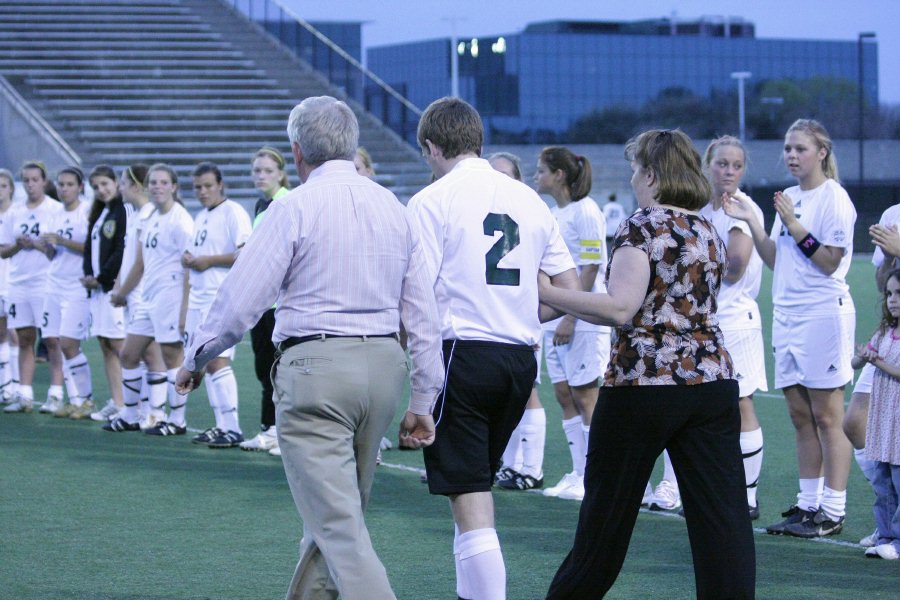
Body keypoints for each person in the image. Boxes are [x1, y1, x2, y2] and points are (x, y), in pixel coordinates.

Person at [175, 96, 444, 600]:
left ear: (297, 152)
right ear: (353, 144)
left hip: (316, 368)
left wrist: (195, 356)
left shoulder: (291, 207)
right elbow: (424, 316)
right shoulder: (395, 207)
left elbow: (240, 300)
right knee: (336, 522)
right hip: (384, 368)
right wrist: (424, 400)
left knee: (339, 530)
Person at [540, 128, 755, 599]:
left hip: (645, 383)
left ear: (652, 175)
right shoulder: (707, 229)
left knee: (603, 528)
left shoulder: (642, 225)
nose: (634, 179)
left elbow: (621, 307)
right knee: (724, 528)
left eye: (637, 170)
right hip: (712, 380)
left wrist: (547, 293)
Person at [409, 97, 577, 600]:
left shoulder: (431, 200)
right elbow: (567, 288)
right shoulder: (529, 199)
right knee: (475, 490)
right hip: (519, 359)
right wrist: (523, 312)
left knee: (471, 499)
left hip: (463, 354)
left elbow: (416, 300)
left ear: (433, 146)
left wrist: (419, 389)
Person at [725, 118, 855, 538]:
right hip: (788, 315)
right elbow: (779, 260)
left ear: (821, 152)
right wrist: (756, 221)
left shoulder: (833, 197)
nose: (792, 155)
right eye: (787, 148)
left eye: (800, 148)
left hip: (822, 314)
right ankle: (807, 505)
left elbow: (830, 260)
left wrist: (794, 223)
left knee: (827, 415)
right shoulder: (791, 197)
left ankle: (832, 511)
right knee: (800, 416)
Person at [648, 136, 769, 517]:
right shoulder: (701, 208)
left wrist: (692, 269)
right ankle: (677, 485)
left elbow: (734, 267)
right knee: (688, 399)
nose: (728, 171)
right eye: (721, 164)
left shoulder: (742, 210)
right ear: (707, 166)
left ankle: (747, 495)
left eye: (736, 165)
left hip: (735, 320)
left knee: (741, 402)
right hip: (704, 321)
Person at [533, 146, 609, 501]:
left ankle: (598, 476)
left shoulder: (587, 211)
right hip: (556, 317)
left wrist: (571, 317)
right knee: (564, 394)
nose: (537, 176)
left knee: (586, 395)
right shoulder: (552, 212)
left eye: (541, 170)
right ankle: (580, 472)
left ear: (559, 175)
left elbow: (591, 268)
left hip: (581, 318)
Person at [105, 164, 192, 435]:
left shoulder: (182, 220)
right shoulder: (151, 216)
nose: (157, 186)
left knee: (170, 357)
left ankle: (176, 419)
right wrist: (122, 291)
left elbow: (189, 267)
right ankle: (132, 414)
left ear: (174, 187)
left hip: (170, 294)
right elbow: (140, 262)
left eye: (163, 182)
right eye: (153, 182)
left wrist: (183, 311)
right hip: (148, 296)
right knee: (128, 354)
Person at [487, 151, 547, 492]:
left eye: (505, 175)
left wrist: (535, 316)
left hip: (519, 319)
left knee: (527, 394)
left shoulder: (529, 214)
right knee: (501, 398)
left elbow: (545, 276)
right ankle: (509, 464)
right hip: (494, 318)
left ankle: (533, 468)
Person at [182, 162, 251, 449]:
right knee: (205, 362)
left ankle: (233, 428)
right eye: (198, 187)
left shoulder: (233, 212)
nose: (203, 191)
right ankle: (222, 425)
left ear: (221, 184)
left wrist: (209, 261)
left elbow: (246, 252)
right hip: (199, 297)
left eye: (208, 185)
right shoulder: (201, 217)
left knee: (217, 360)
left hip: (220, 297)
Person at [107, 164, 168, 431]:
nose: (120, 187)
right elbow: (128, 258)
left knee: (148, 355)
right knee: (138, 356)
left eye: (122, 182)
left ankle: (154, 413)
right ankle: (140, 412)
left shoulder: (150, 215)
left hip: (146, 294)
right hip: (134, 294)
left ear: (134, 185)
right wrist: (119, 287)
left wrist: (123, 291)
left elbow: (141, 264)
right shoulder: (135, 215)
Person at [238, 146, 291, 456]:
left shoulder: (286, 202)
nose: (261, 175)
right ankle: (270, 429)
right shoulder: (262, 204)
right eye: (257, 170)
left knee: (277, 370)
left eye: (268, 170)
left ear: (281, 174)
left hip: (278, 303)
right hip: (262, 302)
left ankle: (279, 431)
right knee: (263, 368)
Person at [1, 161, 63, 413]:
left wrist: (38, 245)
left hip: (45, 282)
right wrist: (19, 245)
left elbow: (60, 251)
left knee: (51, 339)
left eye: (35, 180)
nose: (30, 184)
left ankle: (56, 393)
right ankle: (24, 394)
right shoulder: (16, 212)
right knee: (25, 337)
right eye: (25, 180)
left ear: (44, 181)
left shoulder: (55, 210)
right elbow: (4, 251)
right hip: (18, 282)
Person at [36, 167, 94, 419]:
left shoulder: (88, 212)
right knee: (51, 341)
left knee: (69, 343)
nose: (64, 188)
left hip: (77, 286)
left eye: (69, 184)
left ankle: (84, 399)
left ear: (80, 187)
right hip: (54, 284)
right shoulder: (53, 214)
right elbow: (52, 253)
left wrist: (62, 241)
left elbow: (92, 249)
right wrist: (44, 246)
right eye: (60, 184)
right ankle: (67, 398)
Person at [852, 268, 900, 560]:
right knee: (883, 483)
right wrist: (860, 355)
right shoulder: (884, 331)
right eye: (890, 294)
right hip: (883, 421)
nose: (893, 300)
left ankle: (897, 540)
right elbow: (860, 359)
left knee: (898, 481)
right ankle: (885, 535)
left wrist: (877, 361)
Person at [79, 165, 128, 421]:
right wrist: (89, 274)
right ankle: (117, 401)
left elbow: (122, 250)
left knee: (120, 346)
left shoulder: (123, 211)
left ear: (116, 182)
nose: (101, 190)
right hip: (97, 289)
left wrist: (101, 277)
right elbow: (90, 248)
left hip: (112, 288)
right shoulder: (100, 212)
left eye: (105, 184)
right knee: (105, 344)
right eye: (96, 187)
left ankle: (133, 404)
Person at [0, 168, 20, 403]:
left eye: (3, 186)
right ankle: (5, 383)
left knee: (17, 333)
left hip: (15, 279)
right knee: (1, 333)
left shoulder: (18, 213)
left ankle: (16, 384)